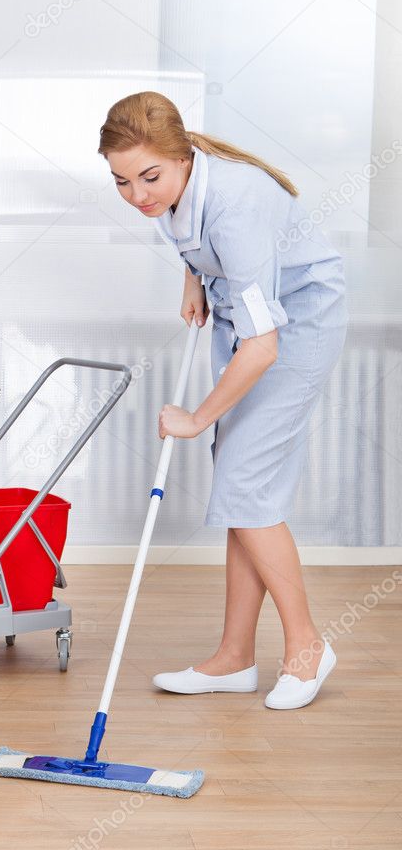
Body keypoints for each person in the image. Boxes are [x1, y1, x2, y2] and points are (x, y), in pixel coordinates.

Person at [99, 91, 348, 710]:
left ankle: (308, 648)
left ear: (182, 156)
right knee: (243, 491)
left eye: (148, 177)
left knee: (246, 486)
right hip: (243, 319)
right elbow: (188, 228)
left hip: (295, 329)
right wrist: (196, 276)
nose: (138, 196)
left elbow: (264, 348)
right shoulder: (171, 188)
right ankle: (235, 658)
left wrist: (194, 418)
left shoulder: (236, 202)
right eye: (121, 182)